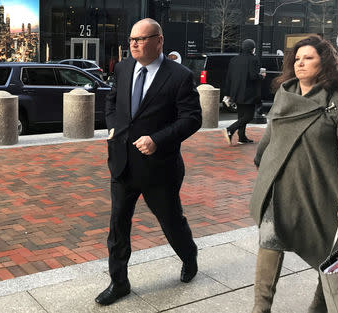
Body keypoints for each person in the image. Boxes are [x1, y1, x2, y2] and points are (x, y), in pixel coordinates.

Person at [249, 35, 338, 312]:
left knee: (329, 250)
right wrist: (261, 161)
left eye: (309, 58)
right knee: (269, 242)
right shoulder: (284, 93)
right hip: (280, 186)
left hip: (320, 188)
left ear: (324, 62)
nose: (301, 63)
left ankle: (319, 306)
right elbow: (272, 133)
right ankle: (260, 308)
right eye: (297, 58)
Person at [95, 18, 202, 306]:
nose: (134, 44)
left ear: (159, 41)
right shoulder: (123, 67)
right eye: (131, 39)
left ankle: (188, 255)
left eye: (141, 39)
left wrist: (157, 139)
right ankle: (119, 282)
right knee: (118, 225)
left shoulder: (179, 76)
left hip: (159, 168)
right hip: (122, 164)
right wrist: (112, 127)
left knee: (171, 223)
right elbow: (112, 101)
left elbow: (192, 119)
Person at [222, 39, 265, 145]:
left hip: (236, 92)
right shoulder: (253, 59)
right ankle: (230, 129)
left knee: (241, 116)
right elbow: (253, 76)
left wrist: (228, 93)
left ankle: (242, 137)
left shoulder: (234, 60)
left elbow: (229, 78)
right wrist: (262, 76)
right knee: (249, 116)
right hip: (248, 92)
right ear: (252, 48)